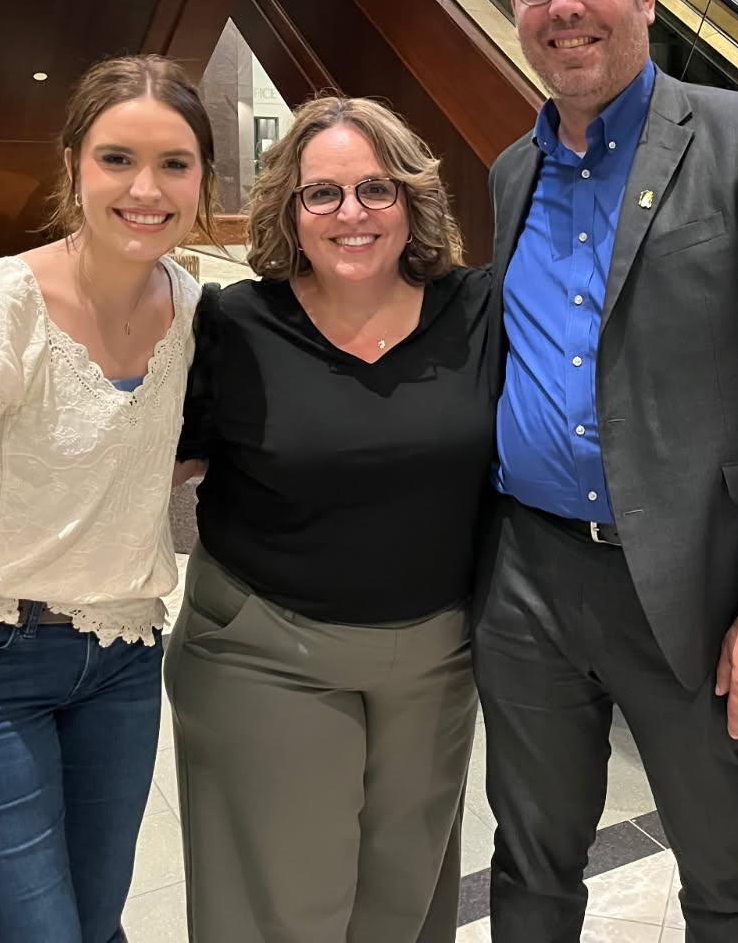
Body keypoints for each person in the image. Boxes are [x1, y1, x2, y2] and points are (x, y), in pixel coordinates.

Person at [475, 0, 738, 942]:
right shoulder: (512, 171)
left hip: (692, 585)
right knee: (530, 862)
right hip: (528, 578)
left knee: (725, 876)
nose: (565, 5)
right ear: (516, 7)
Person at [0, 55, 214, 942]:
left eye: (174, 163)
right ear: (72, 166)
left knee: (94, 924)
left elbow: (141, 454)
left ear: (202, 179)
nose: (146, 189)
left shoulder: (192, 310)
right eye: (117, 159)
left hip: (125, 657)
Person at [164, 96, 495, 942]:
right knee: (281, 909)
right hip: (267, 649)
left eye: (377, 189)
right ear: (290, 209)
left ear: (413, 199)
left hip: (435, 659)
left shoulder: (477, 310)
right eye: (324, 194)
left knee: (403, 902)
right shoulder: (237, 322)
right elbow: (161, 460)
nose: (352, 213)